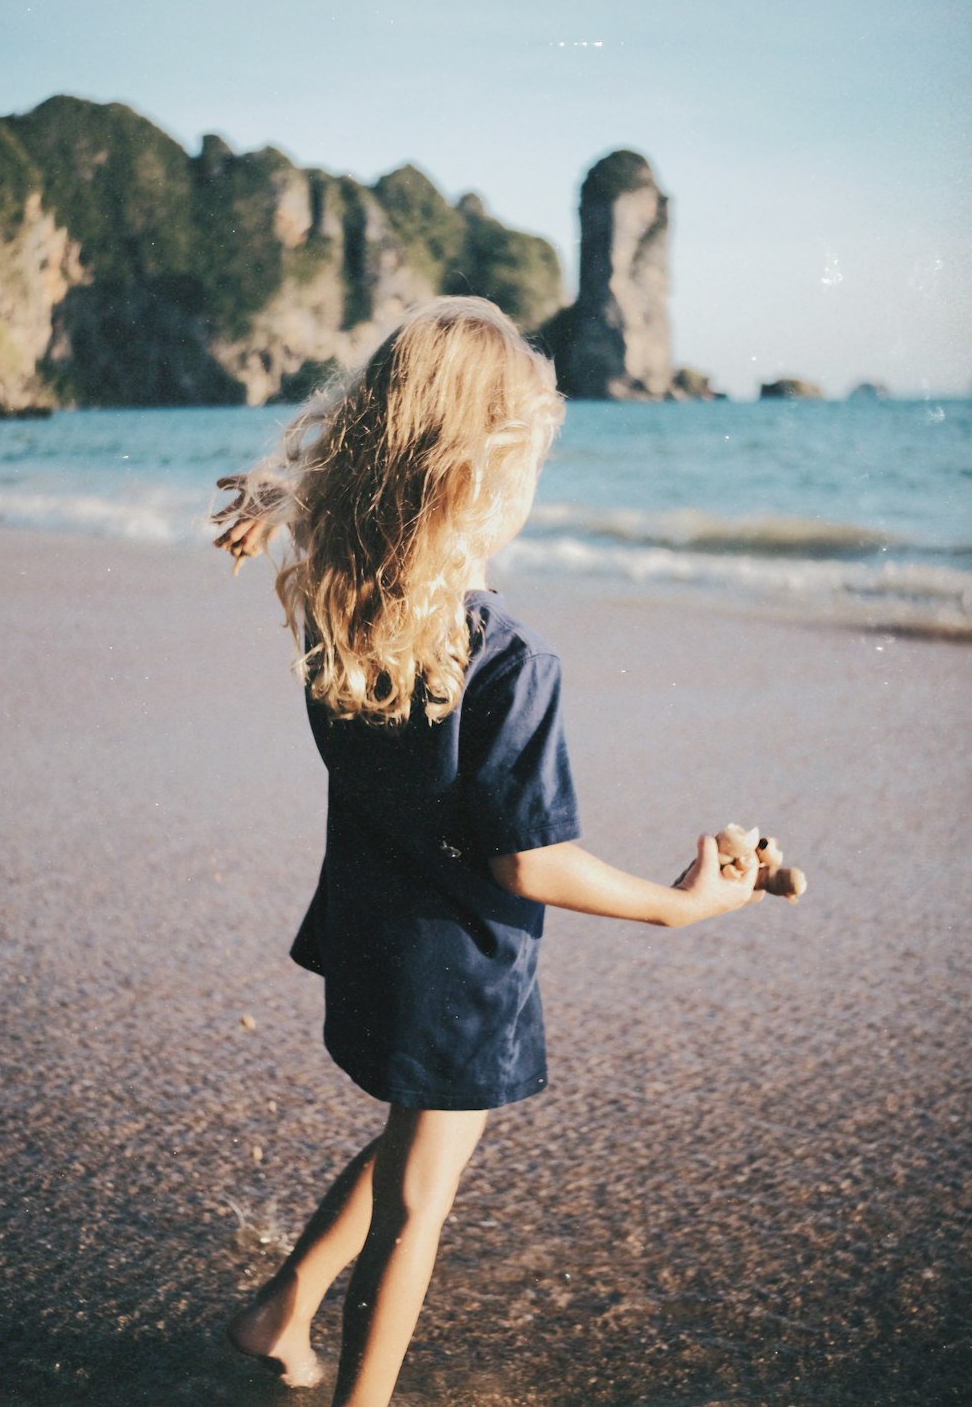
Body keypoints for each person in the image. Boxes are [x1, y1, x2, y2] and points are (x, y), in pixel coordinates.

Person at [211, 297, 761, 1405]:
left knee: (416, 1140)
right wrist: (679, 903)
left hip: (371, 925)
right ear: (480, 477)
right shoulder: (504, 659)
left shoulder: (345, 593)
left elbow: (316, 502)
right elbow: (528, 863)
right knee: (419, 1209)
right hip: (460, 964)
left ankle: (280, 1312)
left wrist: (282, 492)